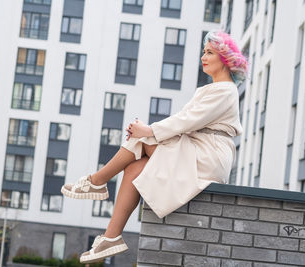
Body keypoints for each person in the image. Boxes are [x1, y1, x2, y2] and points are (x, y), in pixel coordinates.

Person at [60, 29, 248, 263]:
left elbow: (185, 122)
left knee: (141, 138)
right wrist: (149, 131)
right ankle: (111, 237)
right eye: (203, 52)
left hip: (208, 155)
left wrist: (148, 131)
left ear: (224, 58)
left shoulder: (225, 91)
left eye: (209, 52)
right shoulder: (211, 89)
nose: (203, 57)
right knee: (135, 168)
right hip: (196, 147)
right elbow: (183, 121)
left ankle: (97, 181)